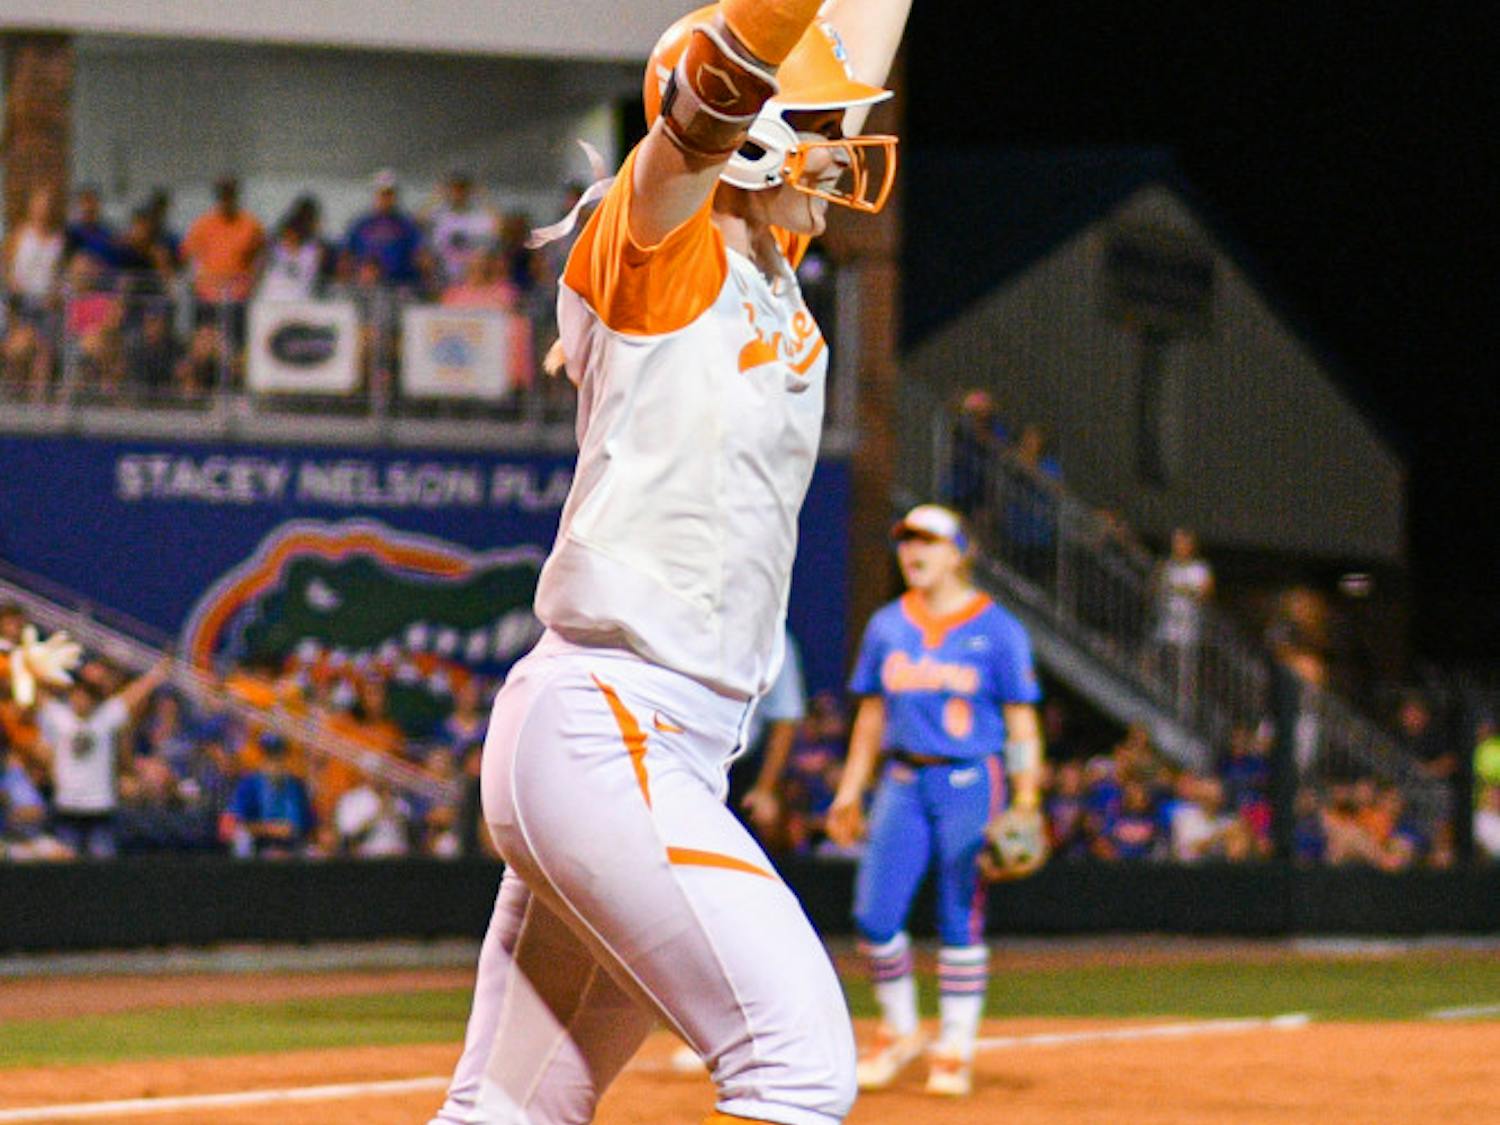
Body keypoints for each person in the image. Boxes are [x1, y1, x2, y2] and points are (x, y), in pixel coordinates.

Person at [428, 2, 906, 1122]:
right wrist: (753, 55)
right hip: (608, 727)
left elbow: (848, 49)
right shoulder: (661, 237)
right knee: (797, 1069)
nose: (842, 150)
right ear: (749, 135)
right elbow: (721, 88)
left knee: (511, 1108)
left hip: (656, 746)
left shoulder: (763, 253)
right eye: (820, 130)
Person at [825, 503, 1044, 1098]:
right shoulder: (888, 625)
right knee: (874, 916)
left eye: (927, 540)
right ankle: (899, 1032)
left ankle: (954, 1047)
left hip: (971, 780)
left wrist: (1026, 797)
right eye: (905, 541)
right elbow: (872, 714)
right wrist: (850, 788)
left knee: (958, 914)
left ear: (958, 552)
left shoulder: (999, 629)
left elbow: (1022, 723)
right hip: (902, 780)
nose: (913, 551)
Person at [36, 657, 170, 859]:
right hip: (68, 807)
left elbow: (131, 696)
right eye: (77, 696)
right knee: (63, 870)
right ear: (71, 697)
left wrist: (156, 674)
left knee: (103, 870)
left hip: (99, 808)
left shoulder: (105, 718)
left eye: (86, 697)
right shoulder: (59, 717)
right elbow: (36, 693)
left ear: (94, 700)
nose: (80, 701)